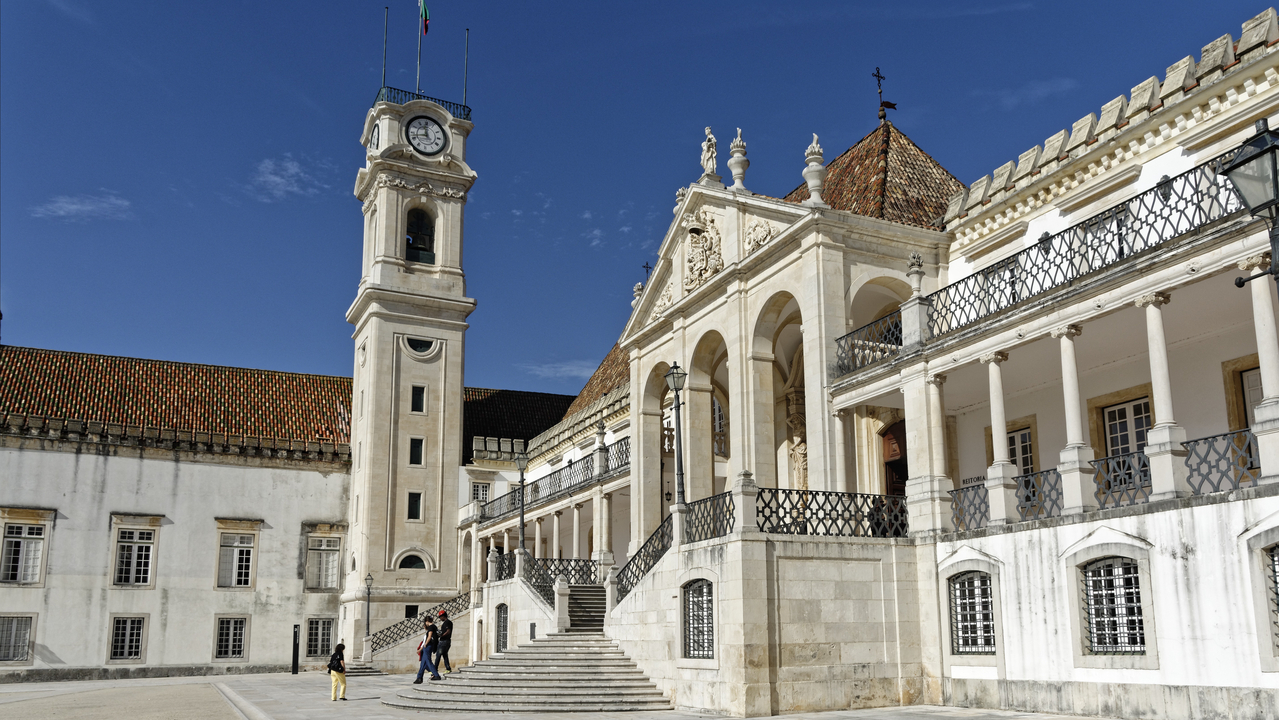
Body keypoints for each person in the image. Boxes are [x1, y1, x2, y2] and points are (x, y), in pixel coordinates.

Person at [412, 615, 441, 683]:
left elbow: (429, 636)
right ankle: (419, 677)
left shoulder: (431, 627)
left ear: (427, 621)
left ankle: (436, 675)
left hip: (428, 646)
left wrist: (425, 643)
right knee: (423, 663)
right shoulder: (434, 627)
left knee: (428, 661)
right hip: (430, 646)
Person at [434, 609, 453, 674]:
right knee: (445, 655)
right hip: (446, 641)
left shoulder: (447, 622)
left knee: (438, 655)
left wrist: (441, 635)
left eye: (440, 617)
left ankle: (434, 669)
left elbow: (448, 631)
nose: (440, 618)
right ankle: (448, 668)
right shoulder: (446, 623)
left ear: (443, 616)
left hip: (444, 641)